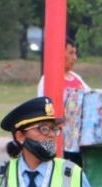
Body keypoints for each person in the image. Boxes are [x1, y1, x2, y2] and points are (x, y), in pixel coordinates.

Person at [37, 37, 89, 165]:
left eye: (75, 53)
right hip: (60, 140)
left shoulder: (77, 78)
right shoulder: (48, 79)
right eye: (71, 53)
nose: (74, 58)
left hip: (78, 141)